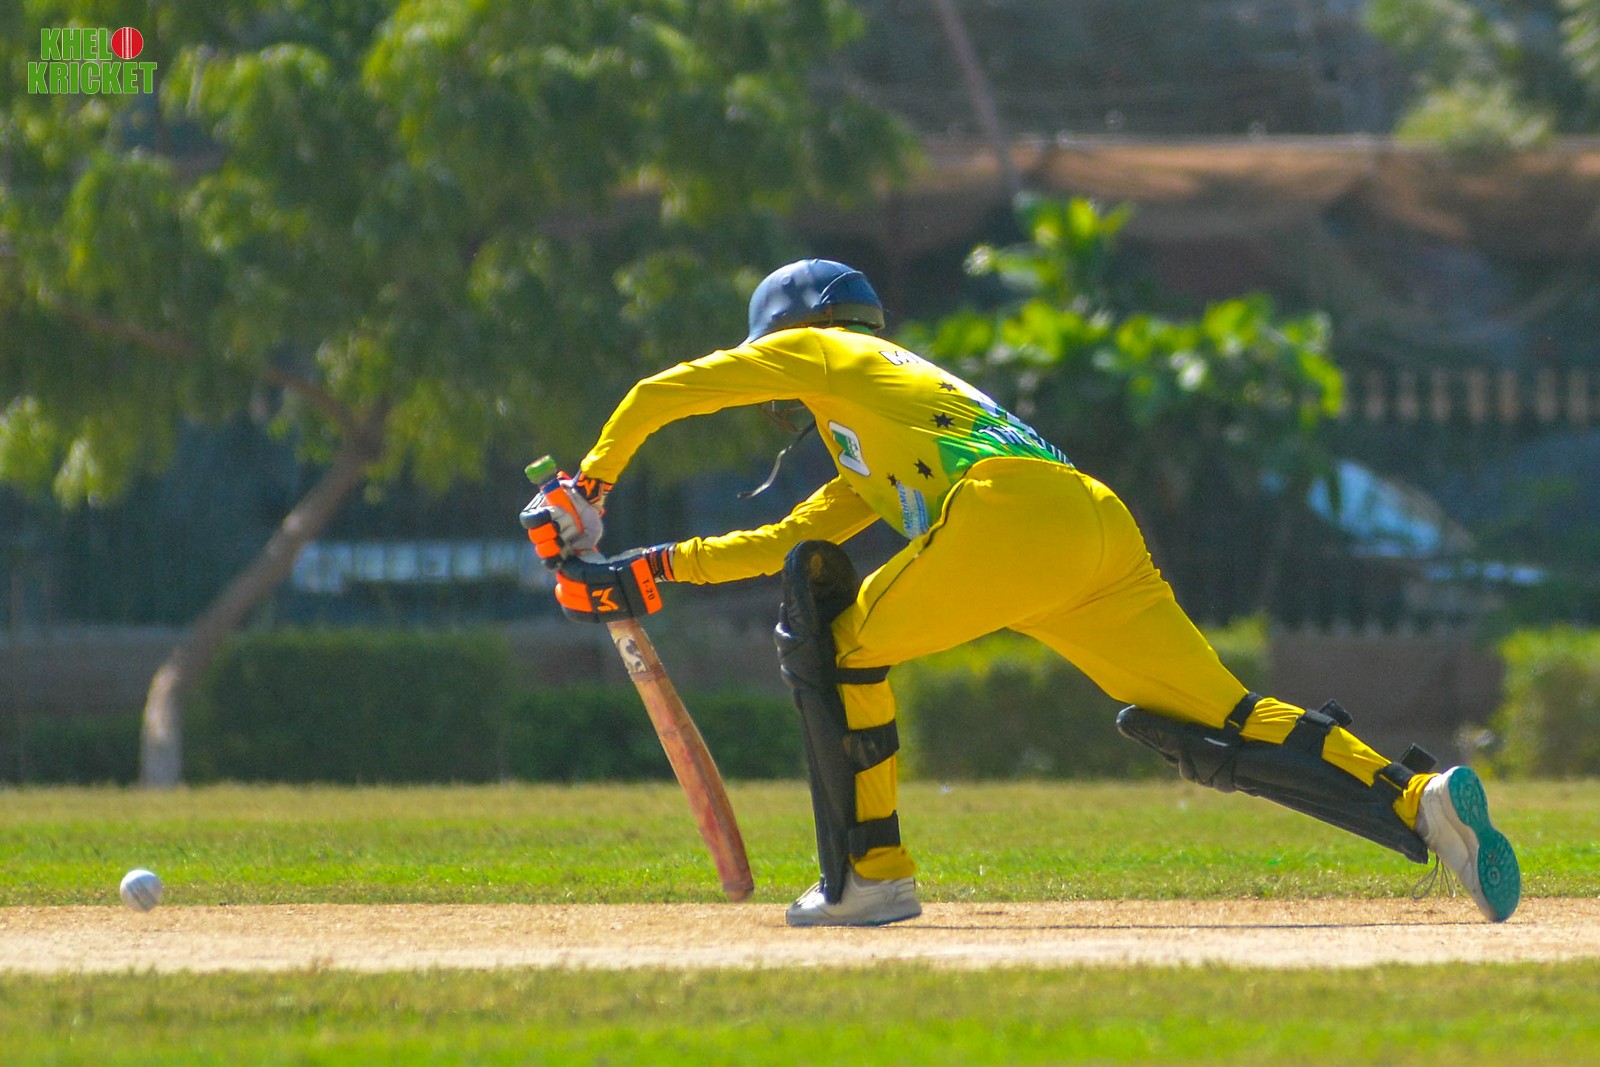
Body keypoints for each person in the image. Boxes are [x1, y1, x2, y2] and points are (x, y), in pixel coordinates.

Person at [524, 258, 1521, 927]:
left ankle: (870, 876)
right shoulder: (882, 427)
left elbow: (663, 393)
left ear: (789, 335)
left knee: (835, 642)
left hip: (1005, 516)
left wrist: (587, 488)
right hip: (1090, 523)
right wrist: (642, 571)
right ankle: (1420, 800)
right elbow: (787, 538)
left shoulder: (829, 351)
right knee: (1219, 719)